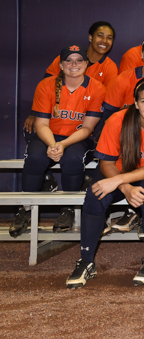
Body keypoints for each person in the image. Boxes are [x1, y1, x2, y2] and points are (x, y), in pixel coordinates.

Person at [65, 77, 144, 288]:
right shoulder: (117, 120)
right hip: (115, 170)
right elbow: (106, 162)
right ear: (136, 104)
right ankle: (86, 261)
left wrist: (121, 182)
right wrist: (125, 187)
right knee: (95, 195)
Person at [10, 45, 106, 237]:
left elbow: (87, 128)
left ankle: (68, 209)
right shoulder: (46, 85)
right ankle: (25, 209)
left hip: (78, 137)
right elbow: (41, 123)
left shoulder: (96, 88)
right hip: (48, 135)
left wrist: (62, 145)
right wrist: (54, 143)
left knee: (72, 158)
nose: (74, 64)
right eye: (68, 60)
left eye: (79, 60)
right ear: (61, 65)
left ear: (86, 64)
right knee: (35, 157)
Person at [99, 35, 144, 233]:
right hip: (124, 144)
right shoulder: (122, 80)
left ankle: (138, 215)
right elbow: (108, 118)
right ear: (141, 54)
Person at [24, 22, 118, 144]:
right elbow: (46, 86)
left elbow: (106, 102)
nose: (104, 41)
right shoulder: (66, 57)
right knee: (33, 127)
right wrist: (35, 114)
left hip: (86, 117)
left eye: (109, 38)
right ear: (90, 37)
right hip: (56, 115)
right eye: (100, 35)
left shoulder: (110, 67)